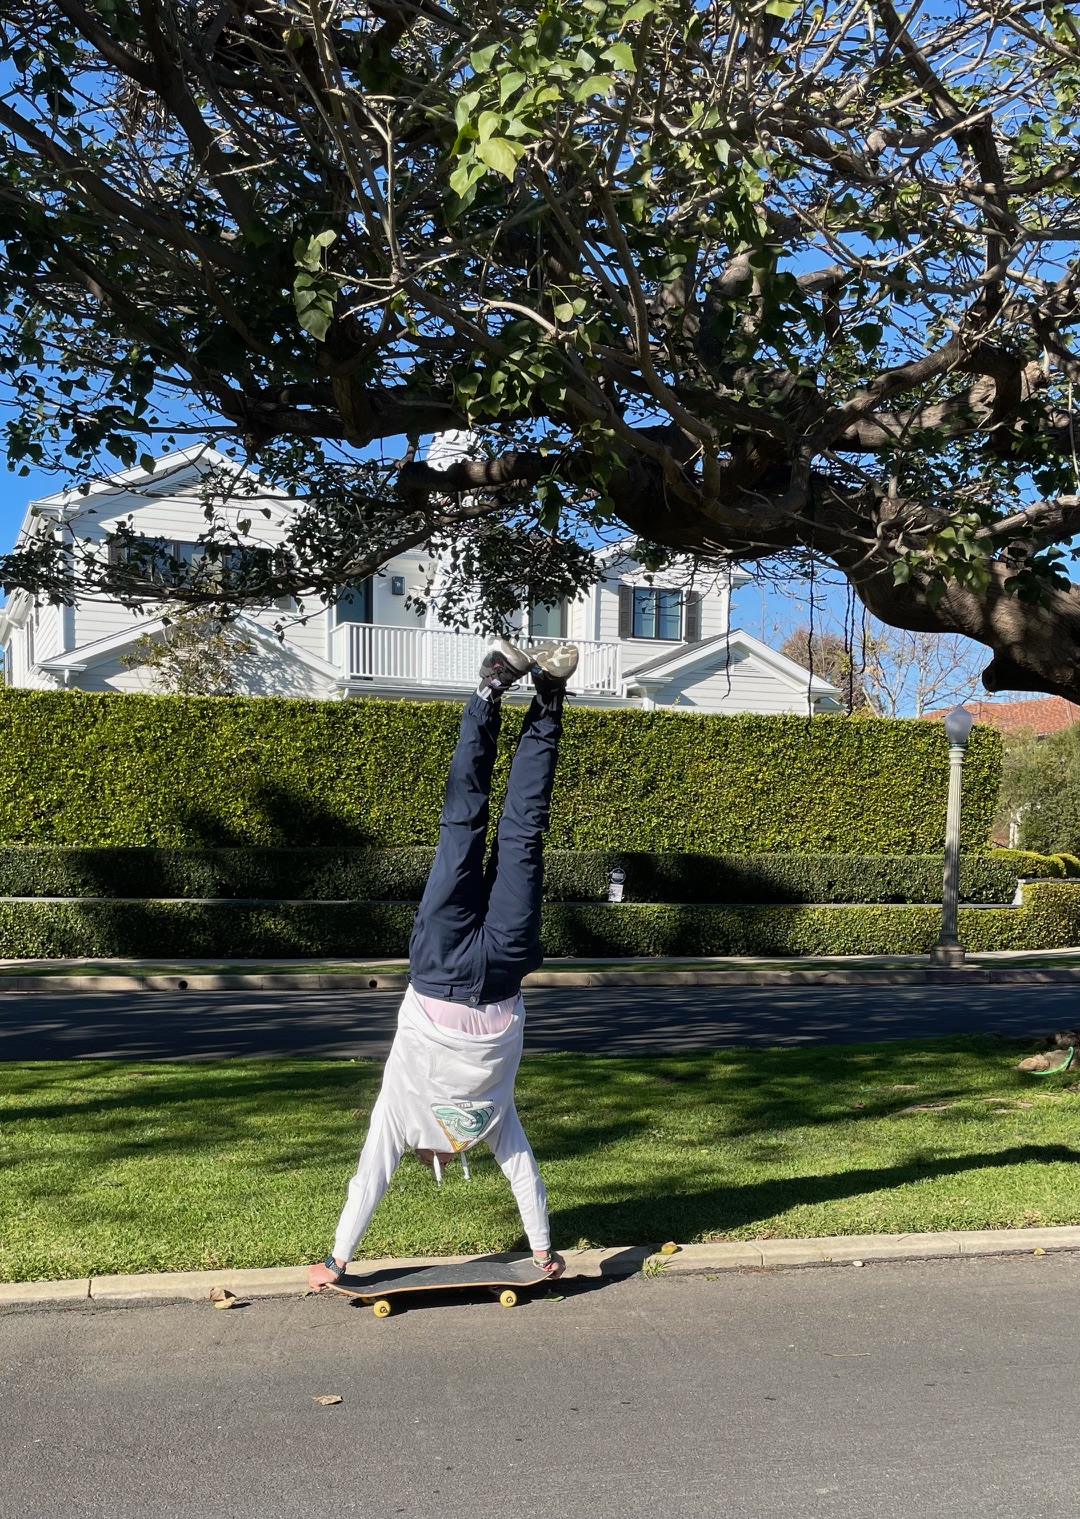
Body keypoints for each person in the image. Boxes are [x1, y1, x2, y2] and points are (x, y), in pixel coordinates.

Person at [307, 637, 579, 1290]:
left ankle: (494, 690)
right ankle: (546, 696)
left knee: (474, 829)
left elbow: (374, 1174)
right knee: (510, 833)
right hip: (485, 973)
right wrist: (541, 1249)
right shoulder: (485, 1124)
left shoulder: (407, 1120)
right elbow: (519, 1171)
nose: (437, 1152)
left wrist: (338, 1257)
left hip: (455, 968)